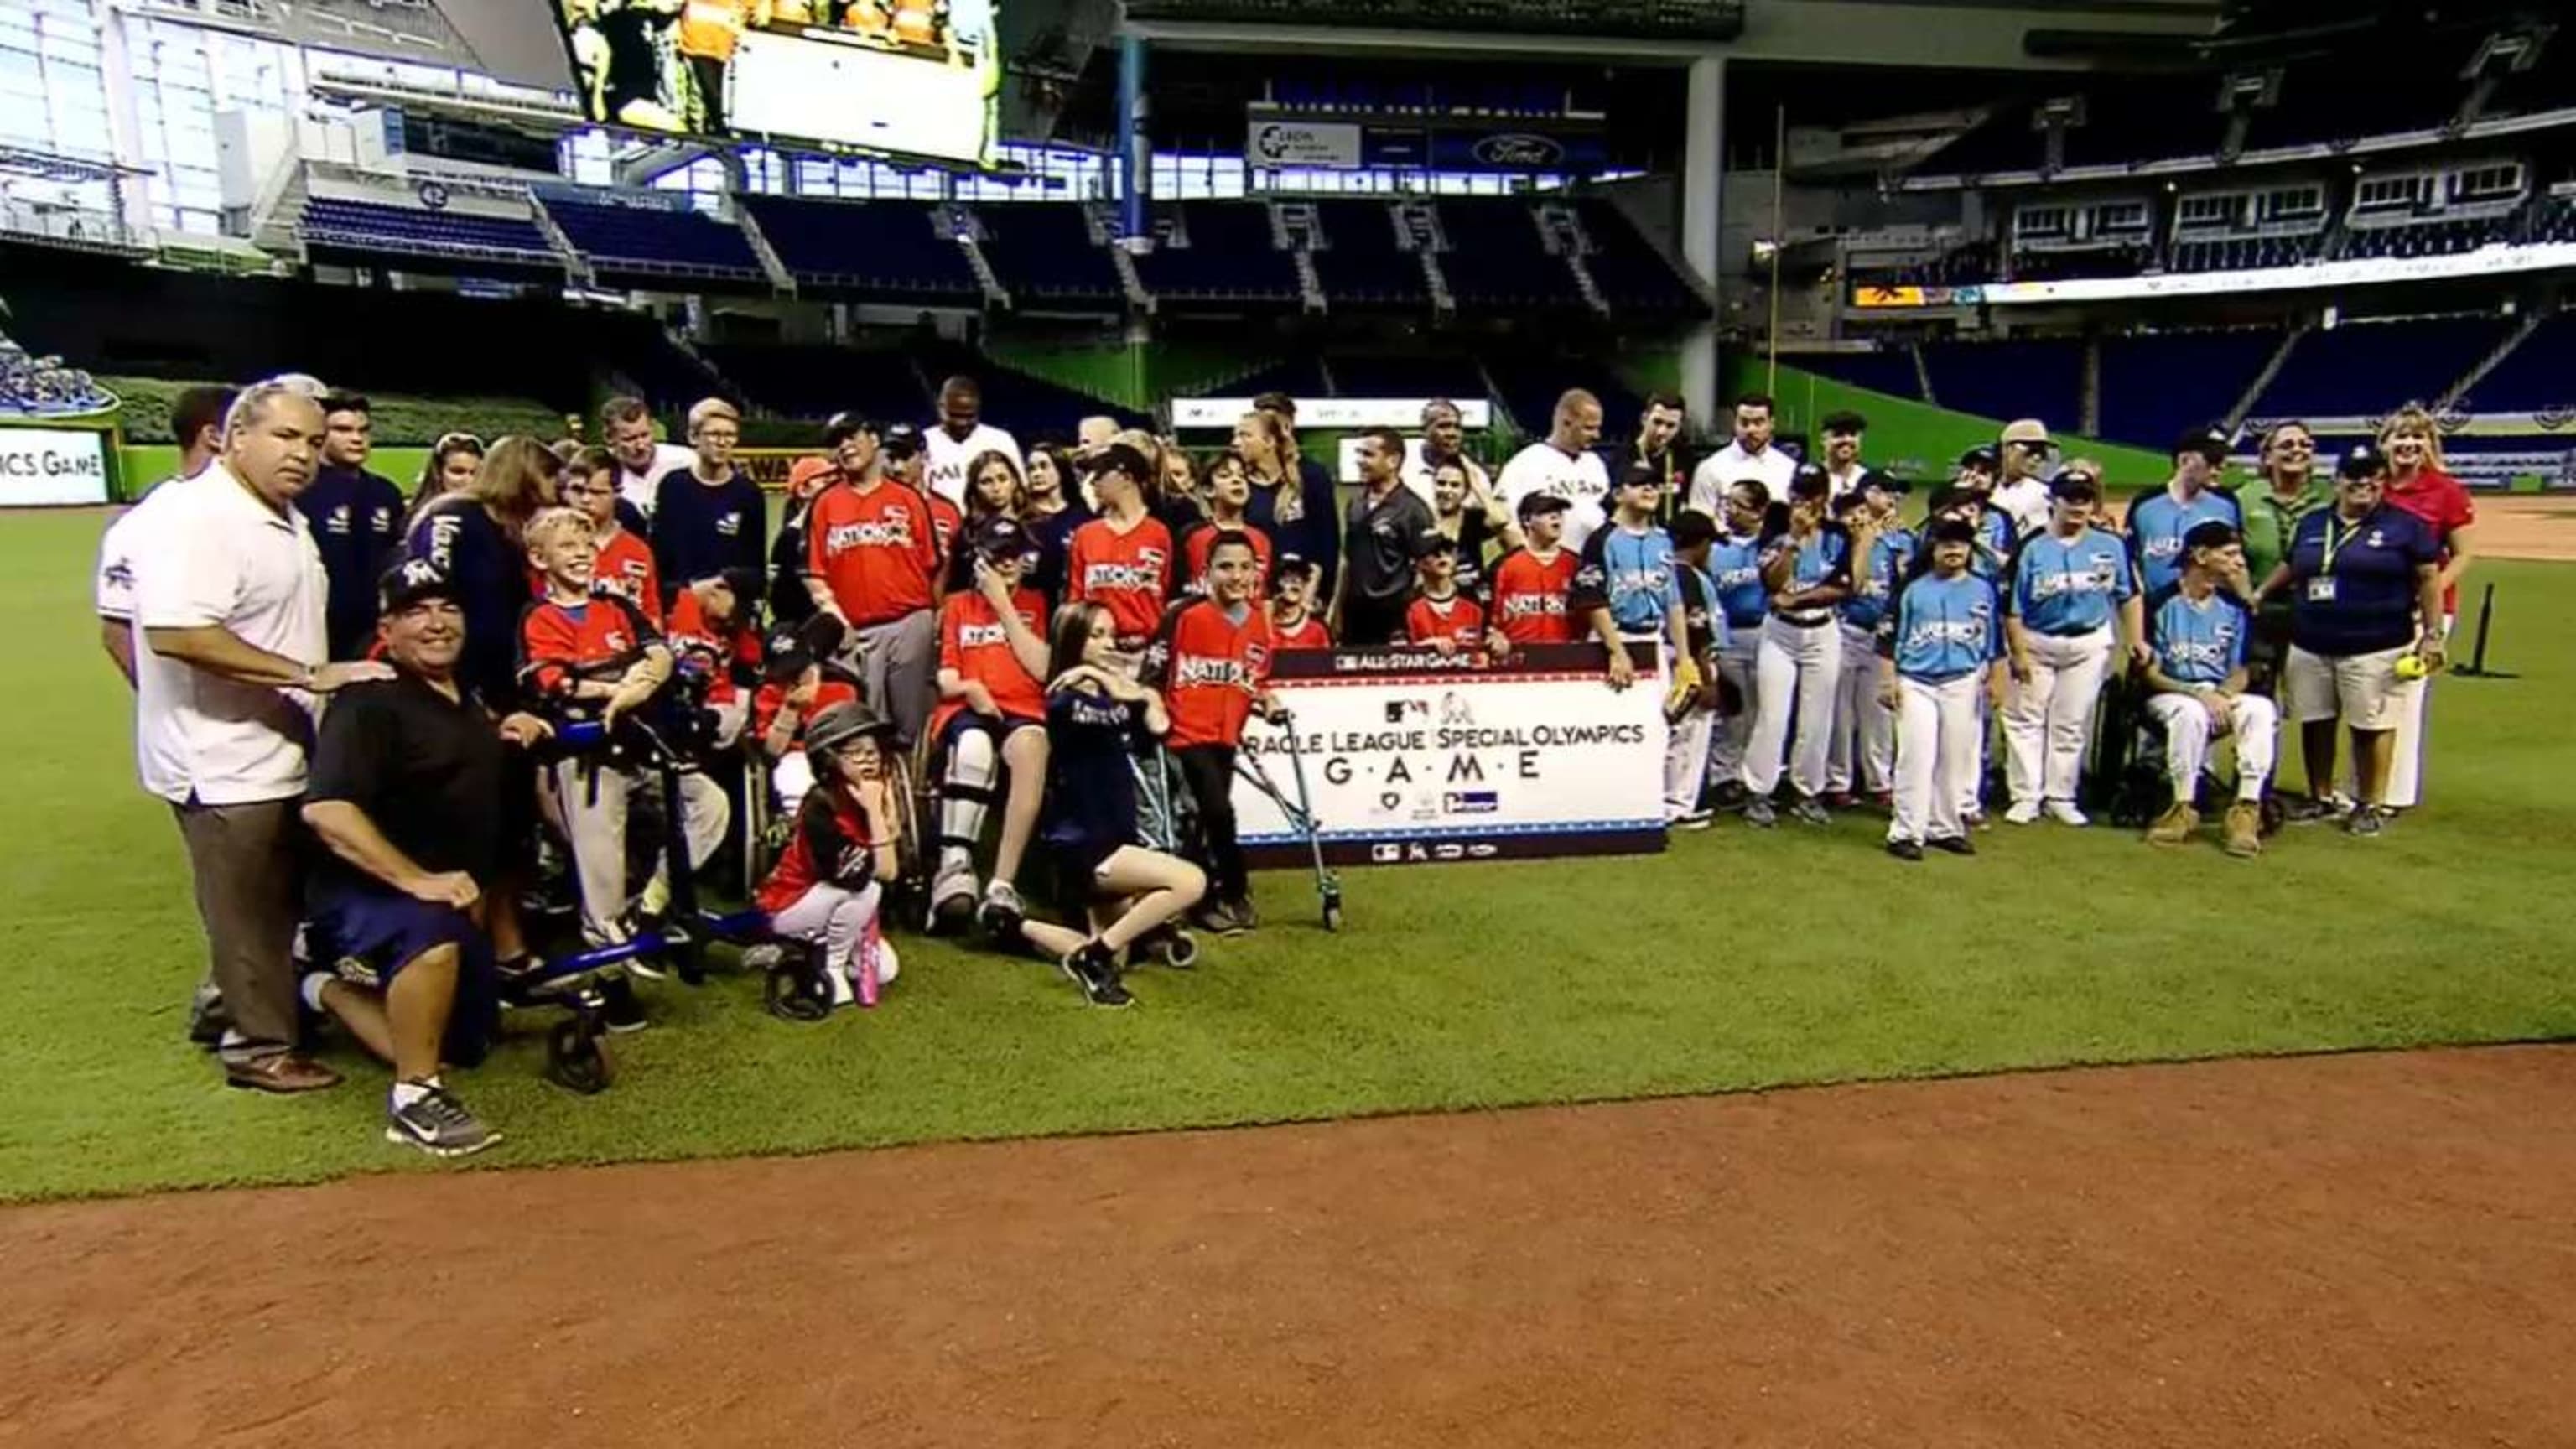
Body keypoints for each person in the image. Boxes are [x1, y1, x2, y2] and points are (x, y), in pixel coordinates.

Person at [135, 377, 396, 1092]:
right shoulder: (197, 516)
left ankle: (225, 1006)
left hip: (271, 747)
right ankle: (259, 1049)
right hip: (220, 755)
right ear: (234, 435)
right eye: (285, 437)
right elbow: (177, 631)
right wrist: (308, 674)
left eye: (313, 442)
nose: (303, 455)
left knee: (271, 900)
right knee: (250, 906)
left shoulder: (275, 511)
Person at [301, 562, 555, 1156]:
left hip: (443, 889)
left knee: (464, 1042)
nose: (437, 623)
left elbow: (447, 756)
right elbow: (327, 812)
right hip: (367, 888)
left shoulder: (459, 693)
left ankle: (315, 985)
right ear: (386, 629)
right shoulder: (369, 700)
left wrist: (506, 727)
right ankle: (414, 1098)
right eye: (417, 611)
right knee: (432, 941)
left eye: (447, 608)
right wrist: (416, 880)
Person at [520, 506, 729, 962]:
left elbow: (659, 656)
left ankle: (651, 902)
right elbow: (553, 682)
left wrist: (634, 690)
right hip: (586, 759)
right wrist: (618, 686)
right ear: (539, 560)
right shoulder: (537, 617)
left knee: (709, 805)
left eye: (587, 544)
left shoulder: (617, 607)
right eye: (568, 547)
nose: (582, 554)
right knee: (602, 874)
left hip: (642, 745)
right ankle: (612, 972)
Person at [2256, 444, 2445, 838]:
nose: (2364, 483)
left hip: (2375, 643)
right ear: (2337, 481)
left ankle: (2370, 803)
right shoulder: (2313, 523)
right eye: (2355, 475)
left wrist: (2432, 634)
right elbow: (2293, 566)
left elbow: (2429, 579)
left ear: (2382, 482)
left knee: (2371, 725)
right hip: (2310, 641)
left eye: (2373, 476)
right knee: (2315, 721)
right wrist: (2259, 594)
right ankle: (2320, 796)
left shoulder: (2405, 527)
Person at [1024, 601, 1207, 1008]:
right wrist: (1113, 683)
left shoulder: (1105, 694)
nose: (1109, 644)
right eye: (1096, 636)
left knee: (1120, 947)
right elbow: (1133, 709)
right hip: (1086, 846)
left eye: (1111, 634)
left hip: (1115, 838)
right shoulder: (1065, 700)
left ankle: (1019, 929)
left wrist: (1106, 678)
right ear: (1073, 641)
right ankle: (1094, 959)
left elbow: (1159, 726)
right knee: (1190, 881)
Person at [926, 517, 1054, 936]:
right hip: (970, 707)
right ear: (979, 559)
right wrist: (971, 687)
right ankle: (954, 870)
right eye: (998, 556)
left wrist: (1004, 606)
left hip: (1023, 710)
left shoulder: (1037, 602)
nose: (1008, 563)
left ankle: (1001, 884)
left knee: (1034, 746)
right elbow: (945, 679)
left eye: (1014, 555)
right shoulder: (959, 605)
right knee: (975, 746)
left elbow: (1041, 668)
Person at [1999, 470, 2148, 828]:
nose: (2078, 505)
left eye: (2085, 497)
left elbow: (2129, 595)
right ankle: (2025, 796)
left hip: (2088, 642)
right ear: (2054, 501)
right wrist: (2018, 653)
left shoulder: (2111, 546)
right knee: (2025, 720)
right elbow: (2012, 607)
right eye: (2071, 497)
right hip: (2036, 641)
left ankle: (2060, 795)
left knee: (2071, 721)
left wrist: (2136, 638)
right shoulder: (2032, 546)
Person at [1150, 531, 1280, 935]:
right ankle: (1219, 893)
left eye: (1246, 567)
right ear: (1207, 572)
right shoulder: (1184, 615)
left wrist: (1265, 699)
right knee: (1211, 811)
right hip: (1185, 734)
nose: (1237, 576)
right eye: (1226, 566)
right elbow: (1154, 671)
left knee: (1210, 817)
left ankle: (1215, 891)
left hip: (1227, 736)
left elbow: (1251, 678)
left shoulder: (1259, 620)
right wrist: (1155, 708)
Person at [802, 413, 944, 747]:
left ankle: (915, 795)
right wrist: (836, 617)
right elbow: (813, 573)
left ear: (875, 440)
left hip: (909, 622)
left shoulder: (908, 499)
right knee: (864, 729)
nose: (845, 446)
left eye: (852, 436)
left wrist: (934, 620)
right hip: (854, 632)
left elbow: (933, 565)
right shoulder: (825, 504)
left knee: (914, 729)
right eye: (837, 442)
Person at [754, 702, 905, 1011]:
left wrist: (879, 809)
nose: (869, 761)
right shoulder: (820, 808)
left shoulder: (868, 795)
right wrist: (877, 810)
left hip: (835, 905)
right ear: (829, 759)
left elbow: (890, 869)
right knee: (868, 888)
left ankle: (806, 955)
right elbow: (876, 876)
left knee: (886, 971)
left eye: (873, 752)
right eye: (855, 752)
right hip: (791, 904)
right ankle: (831, 967)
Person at [2140, 522, 2275, 857]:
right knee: (2190, 713)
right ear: (2200, 556)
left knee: (2260, 710)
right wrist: (2196, 692)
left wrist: (2224, 695)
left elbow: (2241, 669)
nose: (2239, 562)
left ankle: (2246, 808)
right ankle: (2182, 807)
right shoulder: (2159, 603)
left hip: (2219, 696)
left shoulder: (2235, 608)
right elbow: (2150, 674)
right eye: (2229, 554)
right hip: (2170, 694)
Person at [1877, 517, 2007, 861]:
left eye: (1961, 544)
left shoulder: (1983, 589)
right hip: (1916, 681)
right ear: (1932, 548)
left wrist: (1997, 677)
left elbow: (1994, 639)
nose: (1954, 550)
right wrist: (1888, 679)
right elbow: (1887, 638)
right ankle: (1905, 832)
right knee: (1916, 756)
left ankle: (1945, 827)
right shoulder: (1912, 588)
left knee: (1955, 757)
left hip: (1962, 680)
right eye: (1947, 544)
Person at [2375, 404, 2479, 812]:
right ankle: (2360, 787)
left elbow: (2463, 554)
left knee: (2404, 696)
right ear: (2385, 443)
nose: (2409, 443)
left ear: (2430, 445)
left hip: (2425, 614)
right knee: (2369, 697)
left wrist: (2429, 595)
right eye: (2401, 435)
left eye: (2418, 436)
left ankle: (2392, 795)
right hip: (2377, 607)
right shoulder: (2374, 487)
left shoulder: (2446, 491)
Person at [97, 383, 234, 688]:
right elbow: (117, 631)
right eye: (244, 429)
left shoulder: (264, 511)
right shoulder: (145, 521)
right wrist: (163, 701)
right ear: (214, 437)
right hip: (199, 721)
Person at [1740, 465, 1852, 827]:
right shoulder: (1774, 527)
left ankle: (1808, 792)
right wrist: (1791, 540)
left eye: (1810, 494)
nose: (1802, 501)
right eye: (1797, 493)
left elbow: (1843, 586)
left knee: (1817, 718)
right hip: (1780, 634)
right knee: (1772, 715)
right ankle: (1758, 791)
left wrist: (1800, 599)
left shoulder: (1837, 534)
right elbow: (1772, 583)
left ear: (1823, 496)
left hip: (1822, 630)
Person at [408, 435, 558, 705]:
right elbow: (428, 593)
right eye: (549, 480)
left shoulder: (512, 531)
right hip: (450, 674)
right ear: (526, 479)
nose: (553, 493)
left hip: (500, 675)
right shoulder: (451, 517)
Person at [292, 392, 408, 661]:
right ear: (320, 435)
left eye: (363, 430)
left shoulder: (385, 492)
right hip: (315, 626)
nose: (357, 438)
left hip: (374, 628)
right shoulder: (302, 491)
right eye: (343, 430)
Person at [1571, 462, 1690, 706]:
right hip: (1612, 638)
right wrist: (1616, 651)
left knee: (1659, 722)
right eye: (1638, 484)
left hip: (1653, 637)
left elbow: (1674, 603)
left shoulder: (1663, 540)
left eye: (1655, 485)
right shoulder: (1601, 539)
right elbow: (1594, 601)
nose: (1649, 490)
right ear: (1617, 494)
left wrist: (1684, 658)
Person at [1826, 478, 1913, 808]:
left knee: (1878, 713)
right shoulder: (1838, 542)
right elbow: (1848, 585)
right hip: (1845, 628)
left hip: (1881, 633)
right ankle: (1838, 782)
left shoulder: (1900, 539)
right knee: (1840, 713)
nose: (1890, 498)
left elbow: (1906, 581)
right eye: (1882, 491)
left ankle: (1880, 782)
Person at [2236, 421, 2330, 693]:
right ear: (2267, 456)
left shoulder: (2329, 495)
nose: (2297, 451)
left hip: (2315, 608)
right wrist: (2246, 596)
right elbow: (2231, 552)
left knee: (2316, 701)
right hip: (2260, 611)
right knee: (2258, 693)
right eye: (2287, 445)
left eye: (2305, 445)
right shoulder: (2246, 497)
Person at [1065, 442, 1178, 657]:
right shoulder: (1085, 534)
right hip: (1096, 651)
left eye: (1100, 473)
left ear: (1126, 478)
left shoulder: (1162, 532)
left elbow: (1170, 595)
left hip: (1146, 652)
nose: (1094, 482)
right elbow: (1076, 599)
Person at [650, 397, 765, 601]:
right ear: (693, 437)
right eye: (714, 434)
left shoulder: (749, 493)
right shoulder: (673, 486)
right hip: (680, 604)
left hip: (729, 607)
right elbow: (660, 557)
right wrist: (684, 593)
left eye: (729, 435)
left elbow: (755, 567)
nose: (722, 442)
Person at [1701, 480, 1771, 809]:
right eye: (1727, 502)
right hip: (1726, 634)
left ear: (1759, 511)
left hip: (1765, 633)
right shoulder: (1715, 548)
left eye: (1738, 504)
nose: (1729, 510)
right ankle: (1723, 776)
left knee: (1761, 710)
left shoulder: (1771, 545)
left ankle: (1753, 776)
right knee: (1732, 710)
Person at [1333, 428, 1437, 647]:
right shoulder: (1355, 503)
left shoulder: (1413, 510)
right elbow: (1348, 562)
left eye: (1368, 455)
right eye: (1359, 454)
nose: (1360, 461)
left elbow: (1426, 570)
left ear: (1393, 460)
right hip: (1355, 615)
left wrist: (1413, 619)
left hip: (1393, 618)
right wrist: (1338, 609)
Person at [750, 621, 860, 816]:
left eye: (796, 670)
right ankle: (801, 830)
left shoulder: (842, 687)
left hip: (842, 755)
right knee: (791, 772)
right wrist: (790, 709)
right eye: (784, 673)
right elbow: (773, 752)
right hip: (797, 758)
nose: (791, 678)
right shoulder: (767, 695)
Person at [1233, 405, 1338, 600]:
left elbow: (1327, 541)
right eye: (1236, 436)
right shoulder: (1240, 486)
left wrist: (1321, 595)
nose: (1235, 442)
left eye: (1244, 435)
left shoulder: (1309, 478)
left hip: (1302, 593)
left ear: (1269, 442)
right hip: (1255, 594)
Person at [1662, 508, 1726, 828]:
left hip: (1663, 657)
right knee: (1688, 732)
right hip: (1685, 660)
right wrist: (1707, 677)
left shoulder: (1660, 568)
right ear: (1700, 544)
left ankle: (1670, 801)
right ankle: (1677, 805)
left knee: (1672, 731)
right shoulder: (1687, 577)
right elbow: (1697, 628)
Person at [2128, 425, 2244, 597]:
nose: (2221, 466)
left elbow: (2238, 562)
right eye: (2213, 458)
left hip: (2213, 612)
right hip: (2157, 613)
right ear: (2184, 461)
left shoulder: (2227, 504)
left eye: (2222, 458)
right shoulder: (2145, 504)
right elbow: (2131, 560)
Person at [1499, 388, 1613, 552]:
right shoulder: (1526, 462)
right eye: (1589, 428)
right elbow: (1507, 524)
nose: (1597, 435)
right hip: (1547, 563)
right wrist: (1531, 563)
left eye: (1597, 428)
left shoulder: (1595, 463)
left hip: (1592, 565)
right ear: (1566, 423)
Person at [562, 445, 662, 624]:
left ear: (617, 494)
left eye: (597, 492)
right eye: (577, 490)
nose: (586, 500)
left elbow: (651, 615)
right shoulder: (553, 545)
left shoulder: (637, 551)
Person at [1483, 492, 1583, 655]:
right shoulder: (1504, 565)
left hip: (1566, 655)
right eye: (1546, 512)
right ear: (1527, 520)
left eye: (1559, 513)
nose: (1555, 517)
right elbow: (1484, 612)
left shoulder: (1577, 564)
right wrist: (1492, 634)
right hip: (1516, 656)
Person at [1422, 454, 1519, 599]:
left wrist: (1477, 486)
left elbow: (1501, 520)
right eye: (1441, 483)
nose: (1447, 490)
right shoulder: (1422, 518)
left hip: (1470, 600)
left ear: (1466, 491)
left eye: (1455, 485)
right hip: (1433, 601)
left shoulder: (1473, 519)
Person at [1180, 449, 1274, 596]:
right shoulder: (1193, 537)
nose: (1237, 480)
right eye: (1225, 476)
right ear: (1209, 490)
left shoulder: (1262, 539)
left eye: (1242, 476)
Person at [922, 375, 1023, 510]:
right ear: (941, 407)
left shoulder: (1000, 440)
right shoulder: (924, 442)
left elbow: (1021, 490)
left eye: (969, 416)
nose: (962, 423)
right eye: (955, 415)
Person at [1689, 392, 1797, 517]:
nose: (1751, 430)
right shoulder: (1710, 468)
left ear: (1771, 424)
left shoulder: (1789, 468)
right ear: (1735, 423)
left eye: (1758, 423)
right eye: (1744, 423)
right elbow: (1701, 519)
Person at [943, 448, 1028, 593]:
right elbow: (955, 586)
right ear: (975, 488)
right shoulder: (966, 535)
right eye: (986, 482)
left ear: (1014, 482)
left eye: (1002, 479)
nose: (996, 488)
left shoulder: (1035, 527)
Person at [603, 395, 694, 522]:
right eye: (629, 439)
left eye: (645, 435)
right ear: (609, 438)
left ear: (652, 429)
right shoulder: (601, 472)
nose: (640, 446)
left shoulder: (686, 460)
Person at [1021, 440, 1090, 605]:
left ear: (1060, 469)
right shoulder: (1023, 519)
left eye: (1044, 466)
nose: (1036, 474)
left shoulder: (1083, 517)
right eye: (1031, 469)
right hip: (1032, 605)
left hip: (1071, 604)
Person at [1614, 392, 1693, 523]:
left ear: (1679, 427)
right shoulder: (1622, 455)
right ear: (1644, 418)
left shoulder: (1684, 458)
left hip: (1669, 537)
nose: (1661, 431)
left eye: (1670, 426)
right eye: (1657, 422)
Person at [1400, 532, 1483, 652]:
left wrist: (1497, 638)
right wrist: (1426, 646)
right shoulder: (1406, 604)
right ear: (1417, 563)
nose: (1442, 556)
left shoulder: (1473, 598)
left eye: (1447, 550)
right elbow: (1397, 652)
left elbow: (1489, 636)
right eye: (1433, 553)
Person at [1402, 397, 1489, 506]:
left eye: (1457, 427)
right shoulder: (1401, 465)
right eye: (1443, 426)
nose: (1452, 434)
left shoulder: (1477, 476)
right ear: (1424, 430)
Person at [1988, 419, 2059, 540]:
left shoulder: (2045, 494)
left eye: (2042, 453)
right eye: (2031, 450)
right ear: (2007, 449)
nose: (2037, 457)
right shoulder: (1981, 485)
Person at [407, 430, 485, 531]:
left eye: (474, 473)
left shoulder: (491, 517)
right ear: (438, 473)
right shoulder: (416, 517)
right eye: (458, 472)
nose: (468, 480)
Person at [1268, 554, 1332, 650]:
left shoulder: (1317, 628)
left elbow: (1327, 661)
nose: (1295, 581)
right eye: (1287, 577)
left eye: (1300, 577)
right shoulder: (1263, 623)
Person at [1812, 411, 1877, 501]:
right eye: (1839, 434)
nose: (1847, 440)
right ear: (1823, 440)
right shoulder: (1812, 480)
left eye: (1853, 434)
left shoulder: (1870, 479)